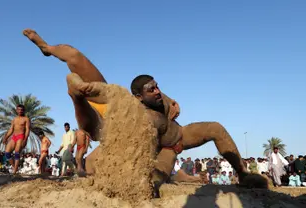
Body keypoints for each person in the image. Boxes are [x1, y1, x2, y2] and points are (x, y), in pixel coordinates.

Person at [23, 29, 268, 195]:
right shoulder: (131, 108)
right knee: (150, 179)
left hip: (179, 136)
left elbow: (168, 102)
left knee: (214, 127)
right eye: (153, 89)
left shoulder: (159, 98)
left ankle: (242, 174)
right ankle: (63, 74)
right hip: (162, 149)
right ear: (139, 96)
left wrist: (174, 102)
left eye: (158, 86)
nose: (159, 91)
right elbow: (115, 134)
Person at [2, 104, 31, 174]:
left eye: (22, 110)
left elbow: (27, 130)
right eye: (19, 109)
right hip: (14, 136)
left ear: (24, 110)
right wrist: (5, 137)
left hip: (21, 136)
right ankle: (15, 167)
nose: (20, 111)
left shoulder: (26, 119)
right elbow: (11, 130)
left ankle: (14, 172)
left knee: (17, 152)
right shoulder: (14, 119)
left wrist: (25, 139)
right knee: (7, 153)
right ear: (16, 110)